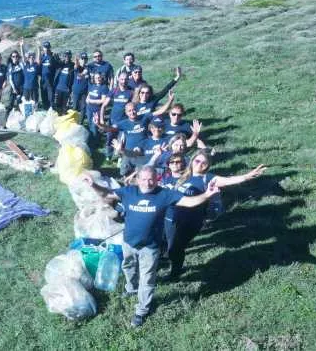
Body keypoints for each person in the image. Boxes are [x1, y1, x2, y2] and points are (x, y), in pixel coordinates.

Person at [82, 165, 222, 327]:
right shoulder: (129, 192)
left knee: (147, 279)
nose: (147, 183)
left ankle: (141, 311)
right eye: (143, 179)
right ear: (137, 179)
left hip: (150, 247)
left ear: (157, 179)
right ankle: (131, 288)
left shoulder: (164, 194)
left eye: (151, 179)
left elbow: (189, 202)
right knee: (128, 267)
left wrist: (207, 194)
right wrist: (93, 184)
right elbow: (106, 195)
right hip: (128, 242)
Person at [164, 150, 266, 281]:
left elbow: (228, 180)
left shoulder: (208, 178)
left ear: (207, 165)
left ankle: (175, 273)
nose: (199, 164)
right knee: (170, 246)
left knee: (176, 247)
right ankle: (173, 264)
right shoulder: (183, 174)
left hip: (191, 221)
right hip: (171, 217)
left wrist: (247, 176)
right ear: (192, 161)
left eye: (203, 162)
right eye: (197, 161)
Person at [95, 99, 174, 176]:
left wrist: (169, 101)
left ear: (137, 110)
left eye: (134, 110)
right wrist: (98, 123)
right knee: (123, 173)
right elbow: (109, 128)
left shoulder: (144, 118)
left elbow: (160, 111)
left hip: (142, 151)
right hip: (128, 152)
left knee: (142, 172)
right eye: (129, 111)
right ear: (126, 113)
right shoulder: (123, 123)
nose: (132, 112)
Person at [101, 71, 132, 158]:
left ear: (128, 80)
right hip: (113, 120)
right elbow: (104, 105)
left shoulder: (131, 92)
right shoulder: (114, 91)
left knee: (122, 140)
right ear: (118, 79)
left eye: (125, 79)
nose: (123, 81)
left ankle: (119, 157)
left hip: (124, 122)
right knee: (110, 138)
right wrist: (101, 119)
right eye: (122, 79)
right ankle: (108, 154)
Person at [85, 74, 110, 148]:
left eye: (99, 77)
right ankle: (93, 139)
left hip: (97, 110)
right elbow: (88, 96)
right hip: (89, 109)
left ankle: (94, 144)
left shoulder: (104, 87)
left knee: (94, 126)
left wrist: (91, 101)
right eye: (96, 78)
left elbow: (103, 100)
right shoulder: (92, 86)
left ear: (102, 78)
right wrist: (87, 100)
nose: (98, 79)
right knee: (90, 125)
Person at [37, 40, 58, 109]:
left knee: (51, 98)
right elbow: (38, 64)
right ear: (43, 48)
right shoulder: (42, 57)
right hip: (43, 81)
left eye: (48, 47)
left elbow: (57, 67)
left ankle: (52, 111)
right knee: (44, 98)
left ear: (50, 48)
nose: (47, 49)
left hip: (50, 81)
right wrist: (38, 49)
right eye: (45, 47)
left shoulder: (53, 56)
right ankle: (45, 110)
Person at [19, 39, 40, 104]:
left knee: (35, 102)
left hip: (34, 87)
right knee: (26, 102)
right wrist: (21, 46)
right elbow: (23, 56)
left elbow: (38, 57)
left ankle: (35, 112)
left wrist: (38, 47)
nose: (31, 58)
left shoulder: (36, 65)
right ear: (28, 58)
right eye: (30, 57)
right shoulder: (26, 65)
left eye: (33, 57)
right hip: (26, 87)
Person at [54, 50, 74, 114]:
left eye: (68, 56)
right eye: (65, 56)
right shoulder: (60, 64)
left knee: (65, 108)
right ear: (64, 57)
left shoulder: (72, 66)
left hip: (66, 90)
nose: (67, 57)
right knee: (57, 106)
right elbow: (53, 62)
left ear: (71, 56)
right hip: (58, 89)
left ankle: (63, 121)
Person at [71, 52, 89, 120]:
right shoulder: (78, 67)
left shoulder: (88, 68)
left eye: (85, 59)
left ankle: (81, 122)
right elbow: (75, 66)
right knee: (75, 107)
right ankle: (73, 121)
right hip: (76, 91)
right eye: (82, 58)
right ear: (80, 59)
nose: (84, 60)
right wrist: (76, 59)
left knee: (83, 107)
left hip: (84, 91)